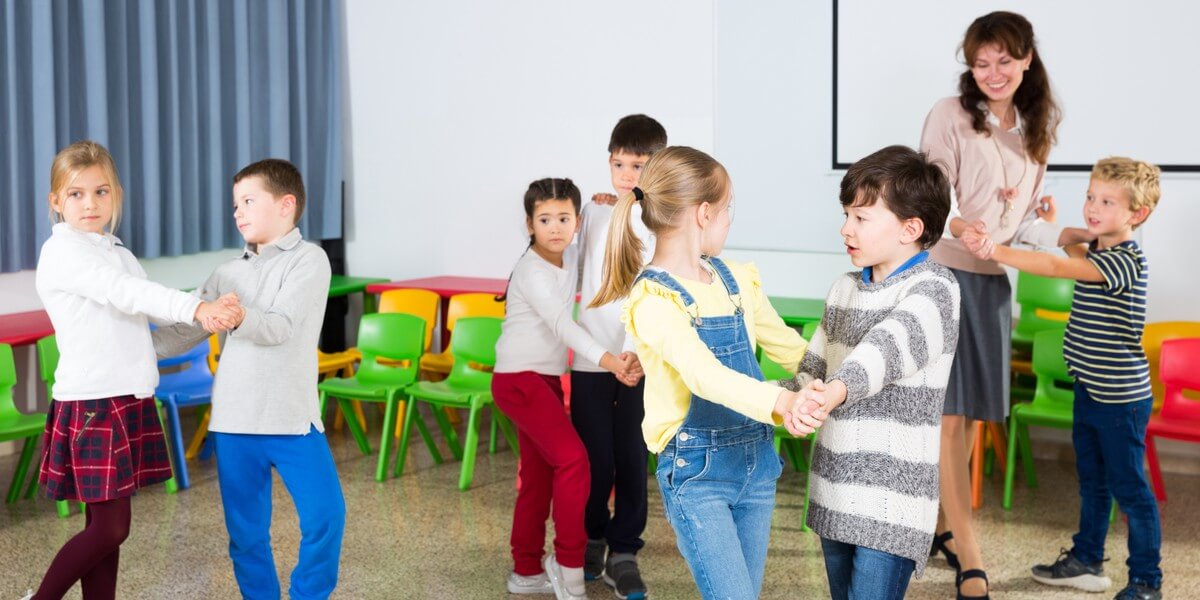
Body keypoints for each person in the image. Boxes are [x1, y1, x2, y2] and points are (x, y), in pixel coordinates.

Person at [918, 11, 1092, 599]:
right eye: (980, 61)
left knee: (966, 419)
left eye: (1004, 61)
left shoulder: (1034, 128)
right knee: (946, 416)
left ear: (1026, 60)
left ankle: (944, 528)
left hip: (992, 282)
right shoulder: (950, 115)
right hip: (941, 273)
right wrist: (962, 223)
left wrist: (1061, 232)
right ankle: (970, 552)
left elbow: (1019, 227)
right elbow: (929, 193)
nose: (992, 72)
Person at [593, 146, 810, 599]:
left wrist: (841, 383)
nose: (730, 220)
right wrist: (783, 400)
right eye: (728, 209)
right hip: (698, 474)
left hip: (757, 463)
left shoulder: (736, 280)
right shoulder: (654, 299)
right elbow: (704, 375)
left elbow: (790, 348)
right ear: (705, 213)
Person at [27, 140, 239, 600]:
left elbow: (150, 317)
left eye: (101, 192)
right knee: (110, 529)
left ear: (116, 194)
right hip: (93, 403)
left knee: (103, 527)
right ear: (56, 201)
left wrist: (208, 312)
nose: (90, 203)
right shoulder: (64, 253)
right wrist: (198, 308)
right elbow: (127, 293)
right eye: (77, 193)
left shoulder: (114, 250)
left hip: (125, 396)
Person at [962, 157, 1163, 600]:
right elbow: (1076, 258)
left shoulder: (1127, 261)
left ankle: (1147, 581)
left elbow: (1059, 269)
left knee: (1130, 488)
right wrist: (1052, 225)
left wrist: (996, 251)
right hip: (1090, 390)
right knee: (1092, 480)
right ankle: (1087, 560)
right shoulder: (1100, 254)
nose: (1092, 208)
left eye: (1107, 202)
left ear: (1137, 214)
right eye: (1091, 196)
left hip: (1120, 401)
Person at [152, 159, 346, 600]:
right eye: (235, 203)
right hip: (235, 422)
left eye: (248, 201)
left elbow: (279, 327)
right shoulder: (226, 273)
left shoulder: (309, 260)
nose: (237, 212)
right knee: (246, 537)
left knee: (326, 517)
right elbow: (187, 329)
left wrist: (236, 317)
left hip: (292, 420)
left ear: (286, 205)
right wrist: (131, 352)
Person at [784, 145, 960, 600]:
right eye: (846, 215)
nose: (846, 229)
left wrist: (837, 390)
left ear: (911, 228)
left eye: (861, 218)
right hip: (833, 490)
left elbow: (888, 348)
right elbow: (810, 373)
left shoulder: (936, 288)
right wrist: (778, 401)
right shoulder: (844, 287)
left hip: (892, 502)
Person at [491, 177, 641, 600]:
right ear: (529, 224)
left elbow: (594, 261)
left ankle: (525, 570)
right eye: (544, 219)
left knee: (538, 478)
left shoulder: (567, 258)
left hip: (544, 381)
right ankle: (569, 563)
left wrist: (611, 207)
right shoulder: (532, 269)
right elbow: (563, 324)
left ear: (577, 221)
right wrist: (610, 361)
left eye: (564, 218)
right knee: (576, 462)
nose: (555, 227)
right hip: (519, 381)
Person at [573, 114, 666, 599]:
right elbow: (576, 277)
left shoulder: (660, 221)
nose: (628, 174)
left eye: (639, 165)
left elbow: (650, 292)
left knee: (632, 457)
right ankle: (591, 538)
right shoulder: (593, 213)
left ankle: (624, 550)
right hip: (591, 356)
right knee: (594, 459)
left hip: (638, 361)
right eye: (619, 164)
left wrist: (632, 355)